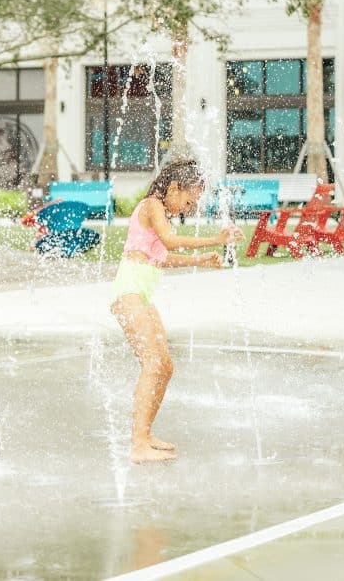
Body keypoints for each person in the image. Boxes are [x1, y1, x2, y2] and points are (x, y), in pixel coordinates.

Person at [111, 159, 243, 465]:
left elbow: (162, 257)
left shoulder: (159, 213)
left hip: (140, 294)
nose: (188, 207)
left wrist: (199, 260)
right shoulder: (152, 205)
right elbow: (170, 241)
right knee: (153, 364)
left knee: (165, 366)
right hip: (129, 292)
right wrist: (216, 239)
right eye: (188, 201)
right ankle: (138, 444)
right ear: (173, 188)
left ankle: (145, 434)